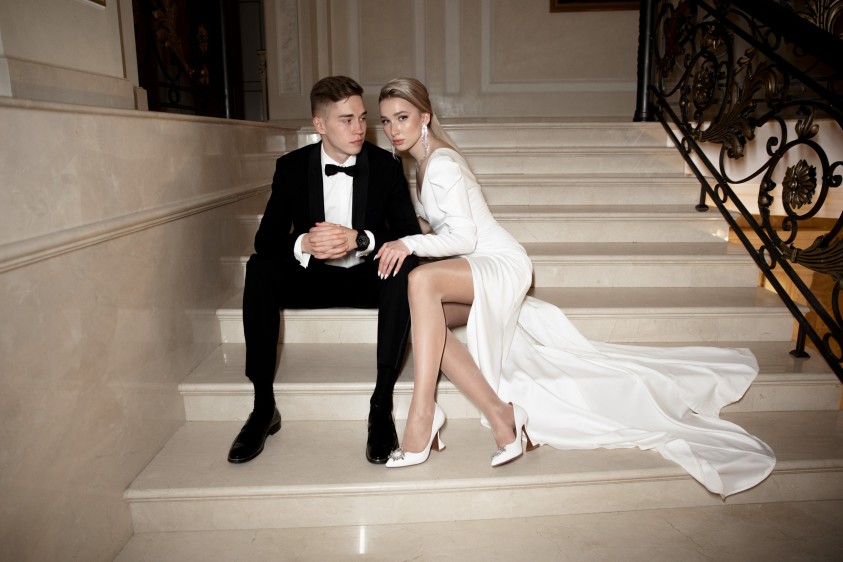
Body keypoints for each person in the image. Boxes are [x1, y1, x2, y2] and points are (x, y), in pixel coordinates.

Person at [374, 77, 776, 497]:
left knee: (420, 280)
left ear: (425, 117)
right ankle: (502, 417)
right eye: (385, 121)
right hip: (480, 264)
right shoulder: (423, 162)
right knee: (423, 322)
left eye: (402, 117)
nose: (393, 129)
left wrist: (408, 244)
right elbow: (441, 225)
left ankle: (423, 414)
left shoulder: (440, 163)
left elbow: (464, 237)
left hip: (500, 262)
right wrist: (387, 234)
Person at [227, 76, 421, 465]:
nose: (359, 129)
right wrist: (303, 243)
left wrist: (361, 239)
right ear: (319, 125)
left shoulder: (385, 166)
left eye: (362, 118)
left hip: (366, 278)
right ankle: (263, 407)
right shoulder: (291, 168)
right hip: (312, 279)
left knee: (405, 266)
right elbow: (265, 240)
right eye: (346, 120)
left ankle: (380, 406)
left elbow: (409, 234)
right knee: (260, 268)